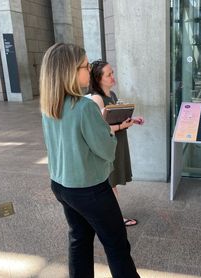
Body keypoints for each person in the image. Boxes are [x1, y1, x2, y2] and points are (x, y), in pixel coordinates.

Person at [40, 43, 140, 278]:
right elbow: (106, 150)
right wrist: (108, 132)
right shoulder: (85, 107)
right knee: (117, 245)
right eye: (85, 66)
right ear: (69, 71)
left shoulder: (49, 105)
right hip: (90, 189)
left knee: (79, 239)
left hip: (61, 184)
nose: (88, 70)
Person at [88, 60, 144, 227]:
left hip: (117, 142)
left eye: (112, 73)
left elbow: (114, 118)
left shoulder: (111, 95)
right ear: (98, 79)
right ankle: (115, 219)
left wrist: (131, 120)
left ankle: (106, 217)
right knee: (109, 184)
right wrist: (121, 126)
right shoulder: (96, 99)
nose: (113, 77)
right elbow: (99, 130)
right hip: (108, 145)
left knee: (110, 183)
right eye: (109, 74)